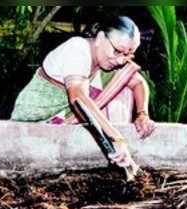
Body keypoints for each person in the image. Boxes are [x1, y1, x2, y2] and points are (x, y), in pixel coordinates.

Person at [10, 16, 155, 168]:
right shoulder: (77, 48)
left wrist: (142, 114)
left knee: (124, 83)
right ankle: (114, 148)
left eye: (128, 54)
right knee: (98, 95)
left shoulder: (108, 62)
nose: (121, 60)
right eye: (117, 51)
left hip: (73, 116)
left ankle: (114, 160)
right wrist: (116, 138)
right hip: (38, 118)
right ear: (100, 38)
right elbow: (78, 98)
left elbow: (139, 83)